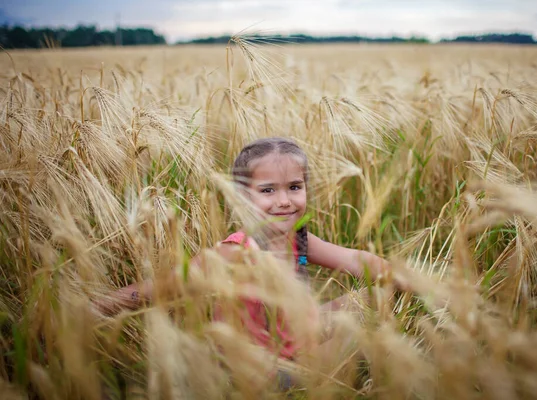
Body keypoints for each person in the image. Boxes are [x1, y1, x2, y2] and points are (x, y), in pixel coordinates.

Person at [93, 137, 406, 389]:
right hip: (257, 370)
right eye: (268, 190)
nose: (284, 201)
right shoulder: (238, 250)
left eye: (294, 187)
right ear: (242, 197)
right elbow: (164, 287)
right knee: (363, 347)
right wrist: (99, 308)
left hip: (295, 344)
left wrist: (400, 276)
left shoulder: (299, 240)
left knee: (378, 295)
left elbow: (354, 259)